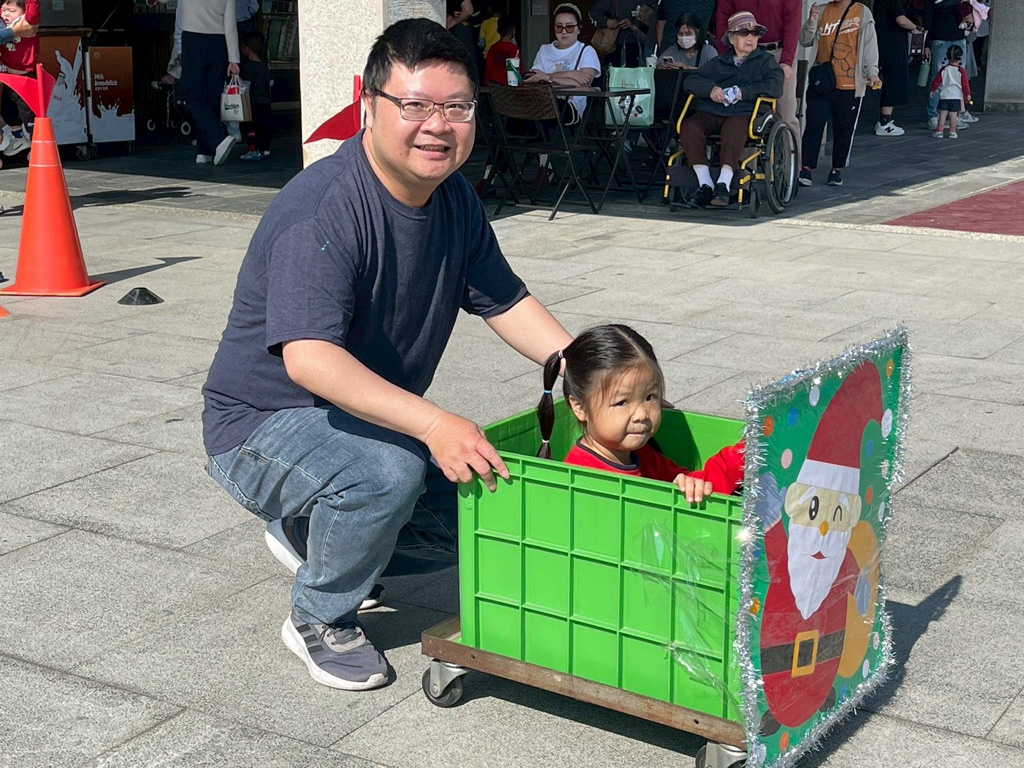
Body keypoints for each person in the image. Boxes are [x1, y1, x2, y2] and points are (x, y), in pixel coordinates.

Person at [202, 17, 573, 691]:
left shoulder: (454, 200)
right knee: (388, 473)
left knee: (482, 505)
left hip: (351, 420)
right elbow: (310, 359)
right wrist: (434, 423)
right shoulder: (325, 207)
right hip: (258, 426)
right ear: (369, 106)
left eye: (456, 107)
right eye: (416, 106)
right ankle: (319, 615)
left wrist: (591, 372)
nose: (438, 126)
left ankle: (319, 536)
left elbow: (506, 302)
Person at [536, 324, 744, 503]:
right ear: (580, 408)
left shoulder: (644, 455)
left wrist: (743, 453)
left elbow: (698, 484)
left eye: (649, 397)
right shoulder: (583, 478)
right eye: (622, 402)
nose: (641, 414)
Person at [678, 11, 784, 207]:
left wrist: (744, 92)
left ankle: (724, 184)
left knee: (734, 128)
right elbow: (692, 80)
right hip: (714, 110)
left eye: (754, 33)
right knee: (690, 127)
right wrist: (711, 89)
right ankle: (705, 184)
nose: (750, 37)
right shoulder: (720, 61)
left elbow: (775, 86)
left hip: (745, 112)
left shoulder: (765, 61)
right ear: (732, 38)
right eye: (744, 33)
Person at [798, 0, 880, 188]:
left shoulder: (862, 13)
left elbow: (870, 46)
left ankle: (836, 169)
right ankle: (806, 168)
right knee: (814, 124)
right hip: (822, 80)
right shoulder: (822, 10)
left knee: (844, 128)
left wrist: (872, 72)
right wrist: (811, 21)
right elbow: (805, 40)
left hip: (850, 83)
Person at [716, 0, 801, 161]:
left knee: (786, 113)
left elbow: (793, 21)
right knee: (746, 112)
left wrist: (786, 61)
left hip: (778, 51)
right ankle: (745, 171)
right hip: (744, 51)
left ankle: (791, 168)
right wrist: (724, 55)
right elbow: (723, 18)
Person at [179, 0, 240, 166]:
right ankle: (204, 150)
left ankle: (220, 138)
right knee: (212, 96)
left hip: (193, 39)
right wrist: (234, 58)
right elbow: (230, 24)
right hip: (219, 42)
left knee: (192, 94)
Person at [526, 3, 600, 125]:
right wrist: (571, 74)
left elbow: (583, 84)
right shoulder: (544, 49)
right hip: (542, 102)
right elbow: (535, 79)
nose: (564, 32)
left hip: (570, 106)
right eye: (559, 27)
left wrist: (547, 77)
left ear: (579, 29)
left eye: (569, 27)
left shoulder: (586, 51)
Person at [922, 0, 976, 130]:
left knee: (957, 78)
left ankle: (952, 115)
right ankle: (934, 115)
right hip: (941, 38)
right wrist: (926, 44)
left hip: (956, 37)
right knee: (938, 78)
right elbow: (927, 18)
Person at [872, 0, 920, 135]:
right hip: (892, 45)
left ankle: (885, 120)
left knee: (890, 80)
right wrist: (917, 28)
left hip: (886, 43)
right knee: (893, 81)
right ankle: (884, 122)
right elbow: (901, 20)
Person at [0, 0, 39, 158]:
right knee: (8, 111)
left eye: (11, 11)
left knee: (29, 116)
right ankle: (18, 139)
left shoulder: (27, 22)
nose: (6, 14)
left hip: (26, 78)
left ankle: (37, 147)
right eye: (3, 10)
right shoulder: (4, 25)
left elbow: (33, 12)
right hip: (9, 79)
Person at [590, 0, 656, 67]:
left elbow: (654, 21)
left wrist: (632, 23)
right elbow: (593, 13)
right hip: (614, 44)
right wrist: (607, 22)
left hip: (641, 45)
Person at [239, 32, 271, 160]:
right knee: (264, 127)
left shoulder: (248, 67)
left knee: (252, 128)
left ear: (247, 49)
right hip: (266, 101)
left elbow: (245, 86)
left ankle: (253, 150)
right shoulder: (265, 66)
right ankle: (266, 149)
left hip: (253, 102)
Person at [929, 43, 970, 137]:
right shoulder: (961, 71)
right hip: (956, 96)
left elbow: (937, 81)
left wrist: (932, 90)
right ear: (960, 57)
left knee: (942, 114)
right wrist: (967, 94)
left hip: (944, 95)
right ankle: (952, 131)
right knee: (953, 115)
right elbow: (965, 84)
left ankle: (939, 131)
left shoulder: (944, 69)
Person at [483, 13, 518, 85]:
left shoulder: (493, 48)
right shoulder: (514, 49)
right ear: (513, 30)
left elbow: (488, 69)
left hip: (494, 86)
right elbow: (517, 72)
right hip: (509, 86)